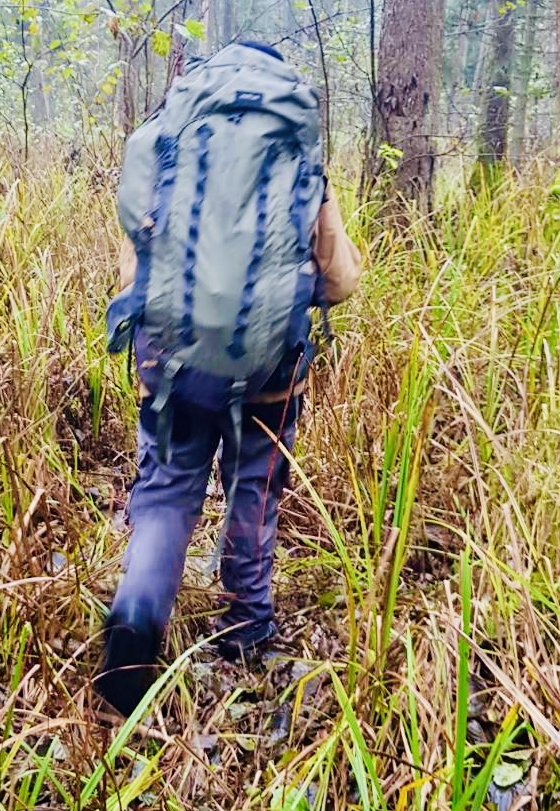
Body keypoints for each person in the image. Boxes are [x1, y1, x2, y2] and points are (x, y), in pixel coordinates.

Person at [97, 40, 362, 718]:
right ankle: (245, 630)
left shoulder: (172, 150)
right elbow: (343, 281)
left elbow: (134, 275)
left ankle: (137, 613)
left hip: (173, 361)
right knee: (255, 487)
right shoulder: (298, 161)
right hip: (270, 368)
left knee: (167, 491)